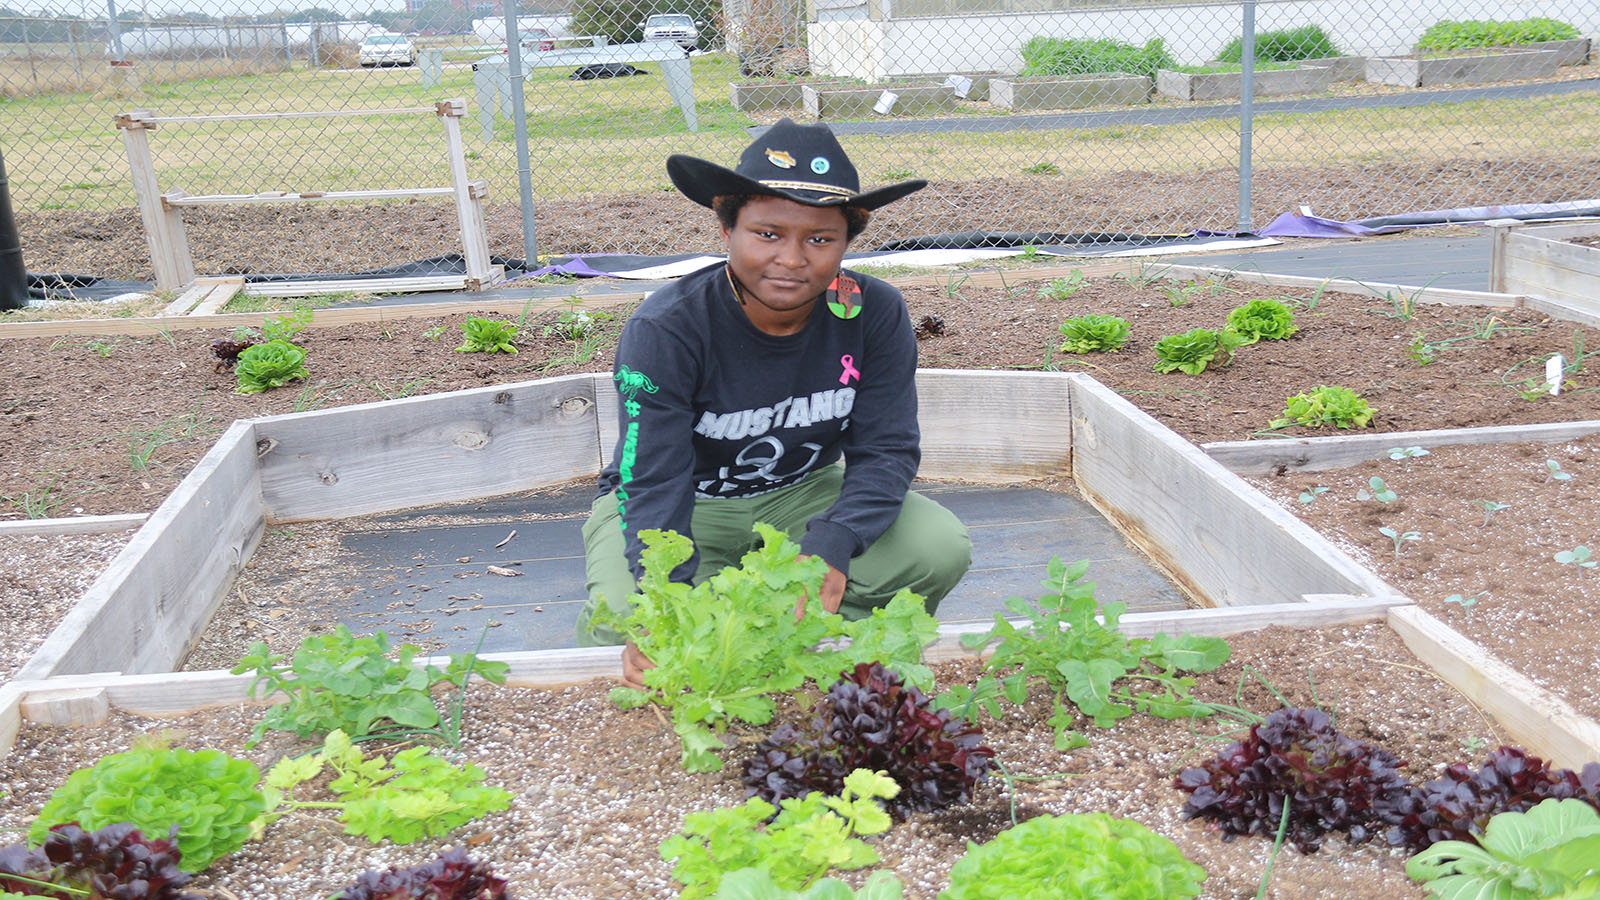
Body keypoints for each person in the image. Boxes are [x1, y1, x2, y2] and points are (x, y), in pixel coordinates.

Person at [576, 118, 972, 683]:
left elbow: (886, 450)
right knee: (627, 624)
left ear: (846, 243)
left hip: (803, 492)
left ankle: (814, 652)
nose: (792, 258)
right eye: (767, 233)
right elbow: (653, 477)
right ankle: (740, 628)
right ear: (726, 232)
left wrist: (831, 543)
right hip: (687, 499)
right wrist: (667, 596)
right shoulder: (667, 326)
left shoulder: (872, 311)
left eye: (819, 238)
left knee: (936, 547)